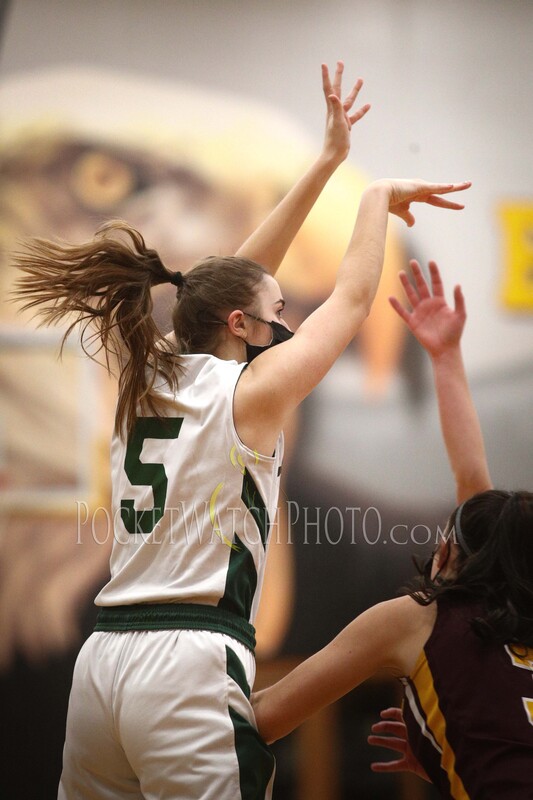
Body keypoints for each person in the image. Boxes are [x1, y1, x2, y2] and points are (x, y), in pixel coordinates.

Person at [13, 53, 470, 799]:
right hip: (187, 661)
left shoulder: (143, 373)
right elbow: (352, 302)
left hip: (101, 666)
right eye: (278, 311)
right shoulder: (251, 393)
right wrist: (373, 197)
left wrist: (324, 165)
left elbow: (221, 281)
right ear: (240, 325)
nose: (288, 320)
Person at [252, 260, 533, 798]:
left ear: (456, 554)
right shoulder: (510, 601)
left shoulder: (418, 618)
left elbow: (264, 716)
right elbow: (478, 498)